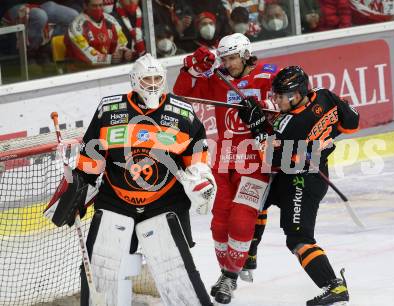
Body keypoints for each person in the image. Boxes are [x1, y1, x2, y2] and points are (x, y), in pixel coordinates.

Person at [44, 53, 216, 306]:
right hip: (116, 199)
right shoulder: (109, 110)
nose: (154, 84)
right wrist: (78, 186)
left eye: (158, 78)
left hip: (165, 200)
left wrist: (201, 181)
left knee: (175, 271)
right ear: (135, 80)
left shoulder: (183, 113)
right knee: (100, 267)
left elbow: (197, 160)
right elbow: (92, 157)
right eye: (148, 79)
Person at [237, 65, 360, 306]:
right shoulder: (325, 95)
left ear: (298, 93)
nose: (277, 99)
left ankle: (334, 287)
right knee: (256, 198)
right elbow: (352, 123)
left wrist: (258, 127)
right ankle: (250, 254)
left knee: (298, 239)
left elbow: (271, 157)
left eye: (282, 96)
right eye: (276, 95)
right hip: (301, 170)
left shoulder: (291, 123)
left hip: (303, 181)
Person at [173, 33, 279, 304]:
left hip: (256, 159)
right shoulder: (217, 79)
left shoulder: (268, 75)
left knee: (241, 217)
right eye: (224, 58)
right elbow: (181, 93)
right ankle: (229, 271)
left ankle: (229, 277)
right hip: (224, 158)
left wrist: (267, 108)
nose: (228, 63)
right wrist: (191, 66)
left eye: (232, 58)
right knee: (219, 221)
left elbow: (289, 104)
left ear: (245, 55)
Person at [64, 0, 134, 69]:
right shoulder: (76, 26)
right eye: (94, 6)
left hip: (108, 68)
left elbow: (121, 42)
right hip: (81, 71)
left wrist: (124, 53)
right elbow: (86, 55)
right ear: (85, 6)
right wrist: (110, 59)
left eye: (100, 5)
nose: (98, 9)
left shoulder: (111, 20)